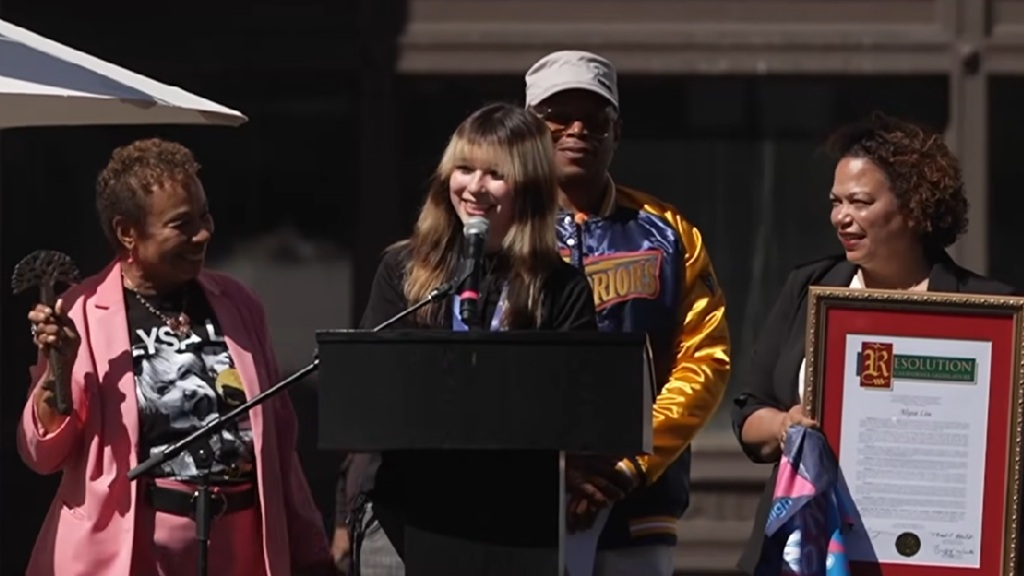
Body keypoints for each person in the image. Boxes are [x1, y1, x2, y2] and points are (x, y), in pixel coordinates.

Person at [17, 138, 336, 576]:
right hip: (133, 552)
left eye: (204, 215)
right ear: (128, 232)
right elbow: (43, 454)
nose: (203, 233)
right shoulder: (81, 312)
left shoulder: (240, 304)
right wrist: (59, 370)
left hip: (240, 550)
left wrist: (312, 554)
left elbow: (279, 441)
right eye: (181, 224)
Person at [729, 113, 1017, 574]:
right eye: (836, 202)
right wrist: (787, 425)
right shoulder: (809, 287)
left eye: (860, 202)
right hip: (809, 555)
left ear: (914, 207)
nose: (841, 217)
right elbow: (748, 412)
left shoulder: (987, 309)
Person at [345, 101, 598, 574]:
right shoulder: (403, 269)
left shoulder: (561, 287)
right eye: (464, 169)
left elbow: (577, 410)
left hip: (513, 521)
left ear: (529, 187)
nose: (474, 188)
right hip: (406, 511)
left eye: (495, 174)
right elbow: (373, 392)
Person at [522, 50, 732, 576]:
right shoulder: (501, 232)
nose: (577, 130)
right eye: (558, 117)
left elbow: (704, 359)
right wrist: (544, 466)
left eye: (594, 120)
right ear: (527, 128)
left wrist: (634, 462)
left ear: (617, 132)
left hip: (639, 500)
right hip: (520, 503)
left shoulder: (667, 232)